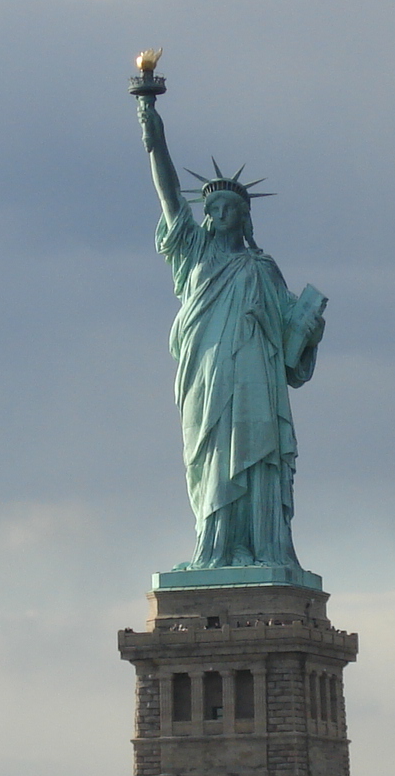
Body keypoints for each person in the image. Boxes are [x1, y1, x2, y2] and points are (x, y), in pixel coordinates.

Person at [136, 91, 327, 575]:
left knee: (257, 455)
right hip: (208, 374)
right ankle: (216, 550)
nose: (218, 213)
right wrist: (153, 133)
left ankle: (261, 549)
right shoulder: (194, 254)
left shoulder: (263, 269)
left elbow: (290, 351)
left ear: (244, 216)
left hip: (257, 382)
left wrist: (310, 328)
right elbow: (167, 190)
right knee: (212, 455)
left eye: (228, 207)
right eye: (211, 206)